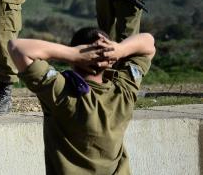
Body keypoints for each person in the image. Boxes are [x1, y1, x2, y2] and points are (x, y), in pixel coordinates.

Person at [9, 28, 156, 174]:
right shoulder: (124, 91)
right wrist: (120, 49)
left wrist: (72, 53)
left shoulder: (63, 93)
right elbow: (148, 44)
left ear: (75, 60)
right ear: (111, 60)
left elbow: (17, 48)